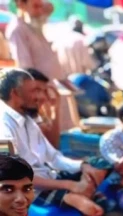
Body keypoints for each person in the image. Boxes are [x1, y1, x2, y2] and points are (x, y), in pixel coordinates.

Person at [0, 69, 110, 216]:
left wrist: (83, 167)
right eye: (34, 91)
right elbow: (17, 179)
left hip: (49, 177)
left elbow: (54, 156)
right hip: (32, 188)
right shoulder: (4, 125)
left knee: (99, 168)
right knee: (94, 209)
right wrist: (68, 185)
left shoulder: (27, 120)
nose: (39, 97)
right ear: (15, 94)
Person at [7, 0, 79, 132]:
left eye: (41, 6)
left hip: (53, 91)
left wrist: (36, 6)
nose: (40, 11)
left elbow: (49, 7)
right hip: (43, 96)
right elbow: (25, 68)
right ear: (21, 5)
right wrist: (39, 94)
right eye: (36, 6)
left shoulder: (33, 25)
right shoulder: (18, 30)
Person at [25, 68, 60, 148]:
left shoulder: (35, 114)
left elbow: (53, 145)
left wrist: (54, 109)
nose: (43, 96)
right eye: (37, 90)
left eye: (44, 91)